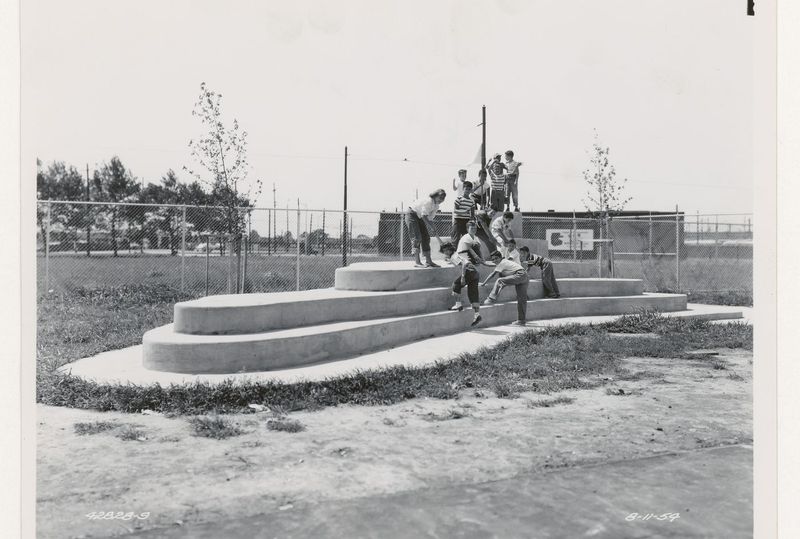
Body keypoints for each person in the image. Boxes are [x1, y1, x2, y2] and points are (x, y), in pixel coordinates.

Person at [440, 223, 485, 326]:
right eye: (443, 251)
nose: (445, 253)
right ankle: (477, 315)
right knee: (473, 294)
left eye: (445, 251)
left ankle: (458, 305)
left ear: (449, 249)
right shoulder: (457, 254)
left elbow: (464, 264)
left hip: (469, 271)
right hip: (475, 273)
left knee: (456, 285)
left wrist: (463, 277)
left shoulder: (454, 256)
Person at [481, 250, 529, 326]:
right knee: (521, 300)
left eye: (496, 258)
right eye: (493, 259)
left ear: (500, 258)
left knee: (500, 281)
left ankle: (491, 298)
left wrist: (484, 283)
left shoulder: (502, 262)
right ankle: (521, 320)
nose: (494, 261)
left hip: (519, 275)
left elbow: (492, 274)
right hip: (525, 276)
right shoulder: (504, 262)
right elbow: (493, 267)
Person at [406, 189, 446, 268]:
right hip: (412, 214)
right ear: (435, 196)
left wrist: (433, 228)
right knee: (417, 238)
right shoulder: (429, 201)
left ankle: (429, 262)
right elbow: (424, 216)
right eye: (440, 197)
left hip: (420, 217)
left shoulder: (436, 206)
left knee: (426, 238)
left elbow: (430, 219)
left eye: (443, 198)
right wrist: (430, 227)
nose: (441, 200)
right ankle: (417, 262)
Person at [451, 181, 476, 246]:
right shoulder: (458, 198)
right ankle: (452, 254)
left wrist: (472, 221)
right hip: (458, 220)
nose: (467, 191)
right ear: (463, 189)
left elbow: (472, 214)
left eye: (469, 189)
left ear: (471, 190)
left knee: (466, 238)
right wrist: (464, 212)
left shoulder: (472, 201)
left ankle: (464, 253)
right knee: (455, 238)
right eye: (466, 189)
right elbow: (455, 210)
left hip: (466, 222)